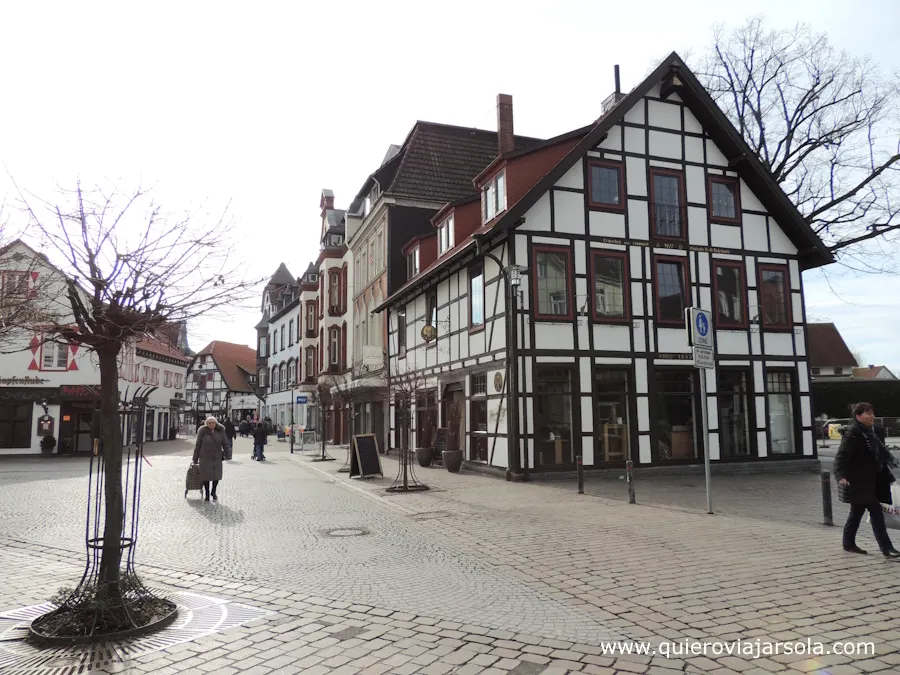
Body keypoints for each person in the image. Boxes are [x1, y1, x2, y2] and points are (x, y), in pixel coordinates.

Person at [834, 402, 900, 558]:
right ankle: (887, 548)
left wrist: (887, 476)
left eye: (873, 413)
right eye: (868, 413)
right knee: (876, 512)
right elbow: (841, 457)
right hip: (858, 481)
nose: (872, 416)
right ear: (858, 416)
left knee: (856, 512)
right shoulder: (853, 433)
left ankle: (848, 542)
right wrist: (840, 476)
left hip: (875, 479)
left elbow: (880, 457)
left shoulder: (876, 432)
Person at [193, 417, 230, 502]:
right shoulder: (202, 432)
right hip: (205, 457)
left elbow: (226, 443)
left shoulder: (220, 432)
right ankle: (207, 494)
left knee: (216, 476)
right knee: (206, 477)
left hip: (216, 457)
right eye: (209, 423)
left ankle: (213, 492)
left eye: (213, 423)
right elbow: (198, 445)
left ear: (215, 423)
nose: (211, 424)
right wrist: (195, 458)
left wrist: (228, 455)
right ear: (207, 424)